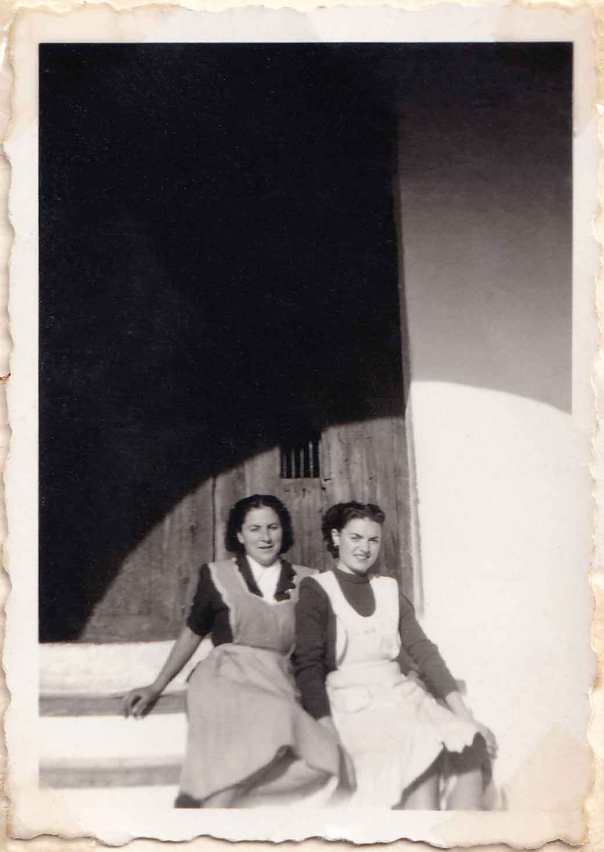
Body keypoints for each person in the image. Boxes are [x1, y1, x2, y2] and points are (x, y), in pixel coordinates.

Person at [123, 494, 340, 807]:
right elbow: (193, 632)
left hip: (278, 679)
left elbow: (320, 646)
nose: (265, 537)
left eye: (273, 527)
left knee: (326, 760)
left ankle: (216, 802)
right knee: (271, 719)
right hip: (224, 677)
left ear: (284, 530)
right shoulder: (216, 575)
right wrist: (157, 686)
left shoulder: (310, 580)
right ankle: (218, 807)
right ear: (239, 535)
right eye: (254, 529)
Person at [293, 501, 497, 809]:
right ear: (336, 537)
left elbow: (424, 652)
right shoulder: (317, 589)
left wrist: (466, 716)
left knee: (470, 743)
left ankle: (460, 830)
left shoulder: (388, 589)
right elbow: (307, 664)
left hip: (400, 696)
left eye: (373, 540)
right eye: (355, 537)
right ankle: (422, 829)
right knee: (421, 752)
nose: (364, 548)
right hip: (354, 705)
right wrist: (325, 725)